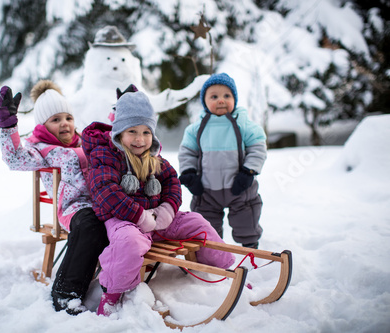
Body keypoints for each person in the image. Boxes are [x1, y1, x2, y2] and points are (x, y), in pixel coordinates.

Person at [81, 85, 235, 316]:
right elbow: (106, 192)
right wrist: (139, 216)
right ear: (119, 133)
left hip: (157, 218)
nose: (140, 139)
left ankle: (223, 271)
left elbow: (172, 182)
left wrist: (167, 210)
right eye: (132, 131)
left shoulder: (155, 157)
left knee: (198, 222)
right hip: (123, 219)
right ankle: (111, 296)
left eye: (146, 132)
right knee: (129, 244)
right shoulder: (106, 155)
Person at [0, 80, 108, 315]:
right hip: (74, 208)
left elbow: (118, 143)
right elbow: (14, 159)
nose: (64, 124)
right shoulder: (42, 150)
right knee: (90, 226)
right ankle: (65, 294)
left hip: (105, 201)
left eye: (67, 118)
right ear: (44, 126)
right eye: (55, 120)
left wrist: (125, 111)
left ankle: (116, 282)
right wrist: (8, 125)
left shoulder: (86, 141)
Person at [178, 73, 267, 249]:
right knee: (206, 223)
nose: (221, 100)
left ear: (235, 99)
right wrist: (189, 173)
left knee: (246, 217)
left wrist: (249, 171)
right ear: (205, 101)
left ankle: (250, 246)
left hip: (239, 187)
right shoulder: (196, 128)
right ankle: (210, 250)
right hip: (207, 190)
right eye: (214, 96)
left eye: (227, 96)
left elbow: (258, 147)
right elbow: (187, 152)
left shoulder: (244, 124)